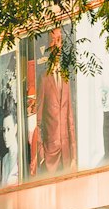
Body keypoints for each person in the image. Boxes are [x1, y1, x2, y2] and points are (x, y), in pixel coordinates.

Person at [29, 29, 76, 176]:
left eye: (59, 40)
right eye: (54, 41)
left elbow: (70, 118)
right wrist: (42, 154)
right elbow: (38, 121)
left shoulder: (66, 77)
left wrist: (74, 154)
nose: (57, 46)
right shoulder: (43, 78)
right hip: (50, 156)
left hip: (66, 154)